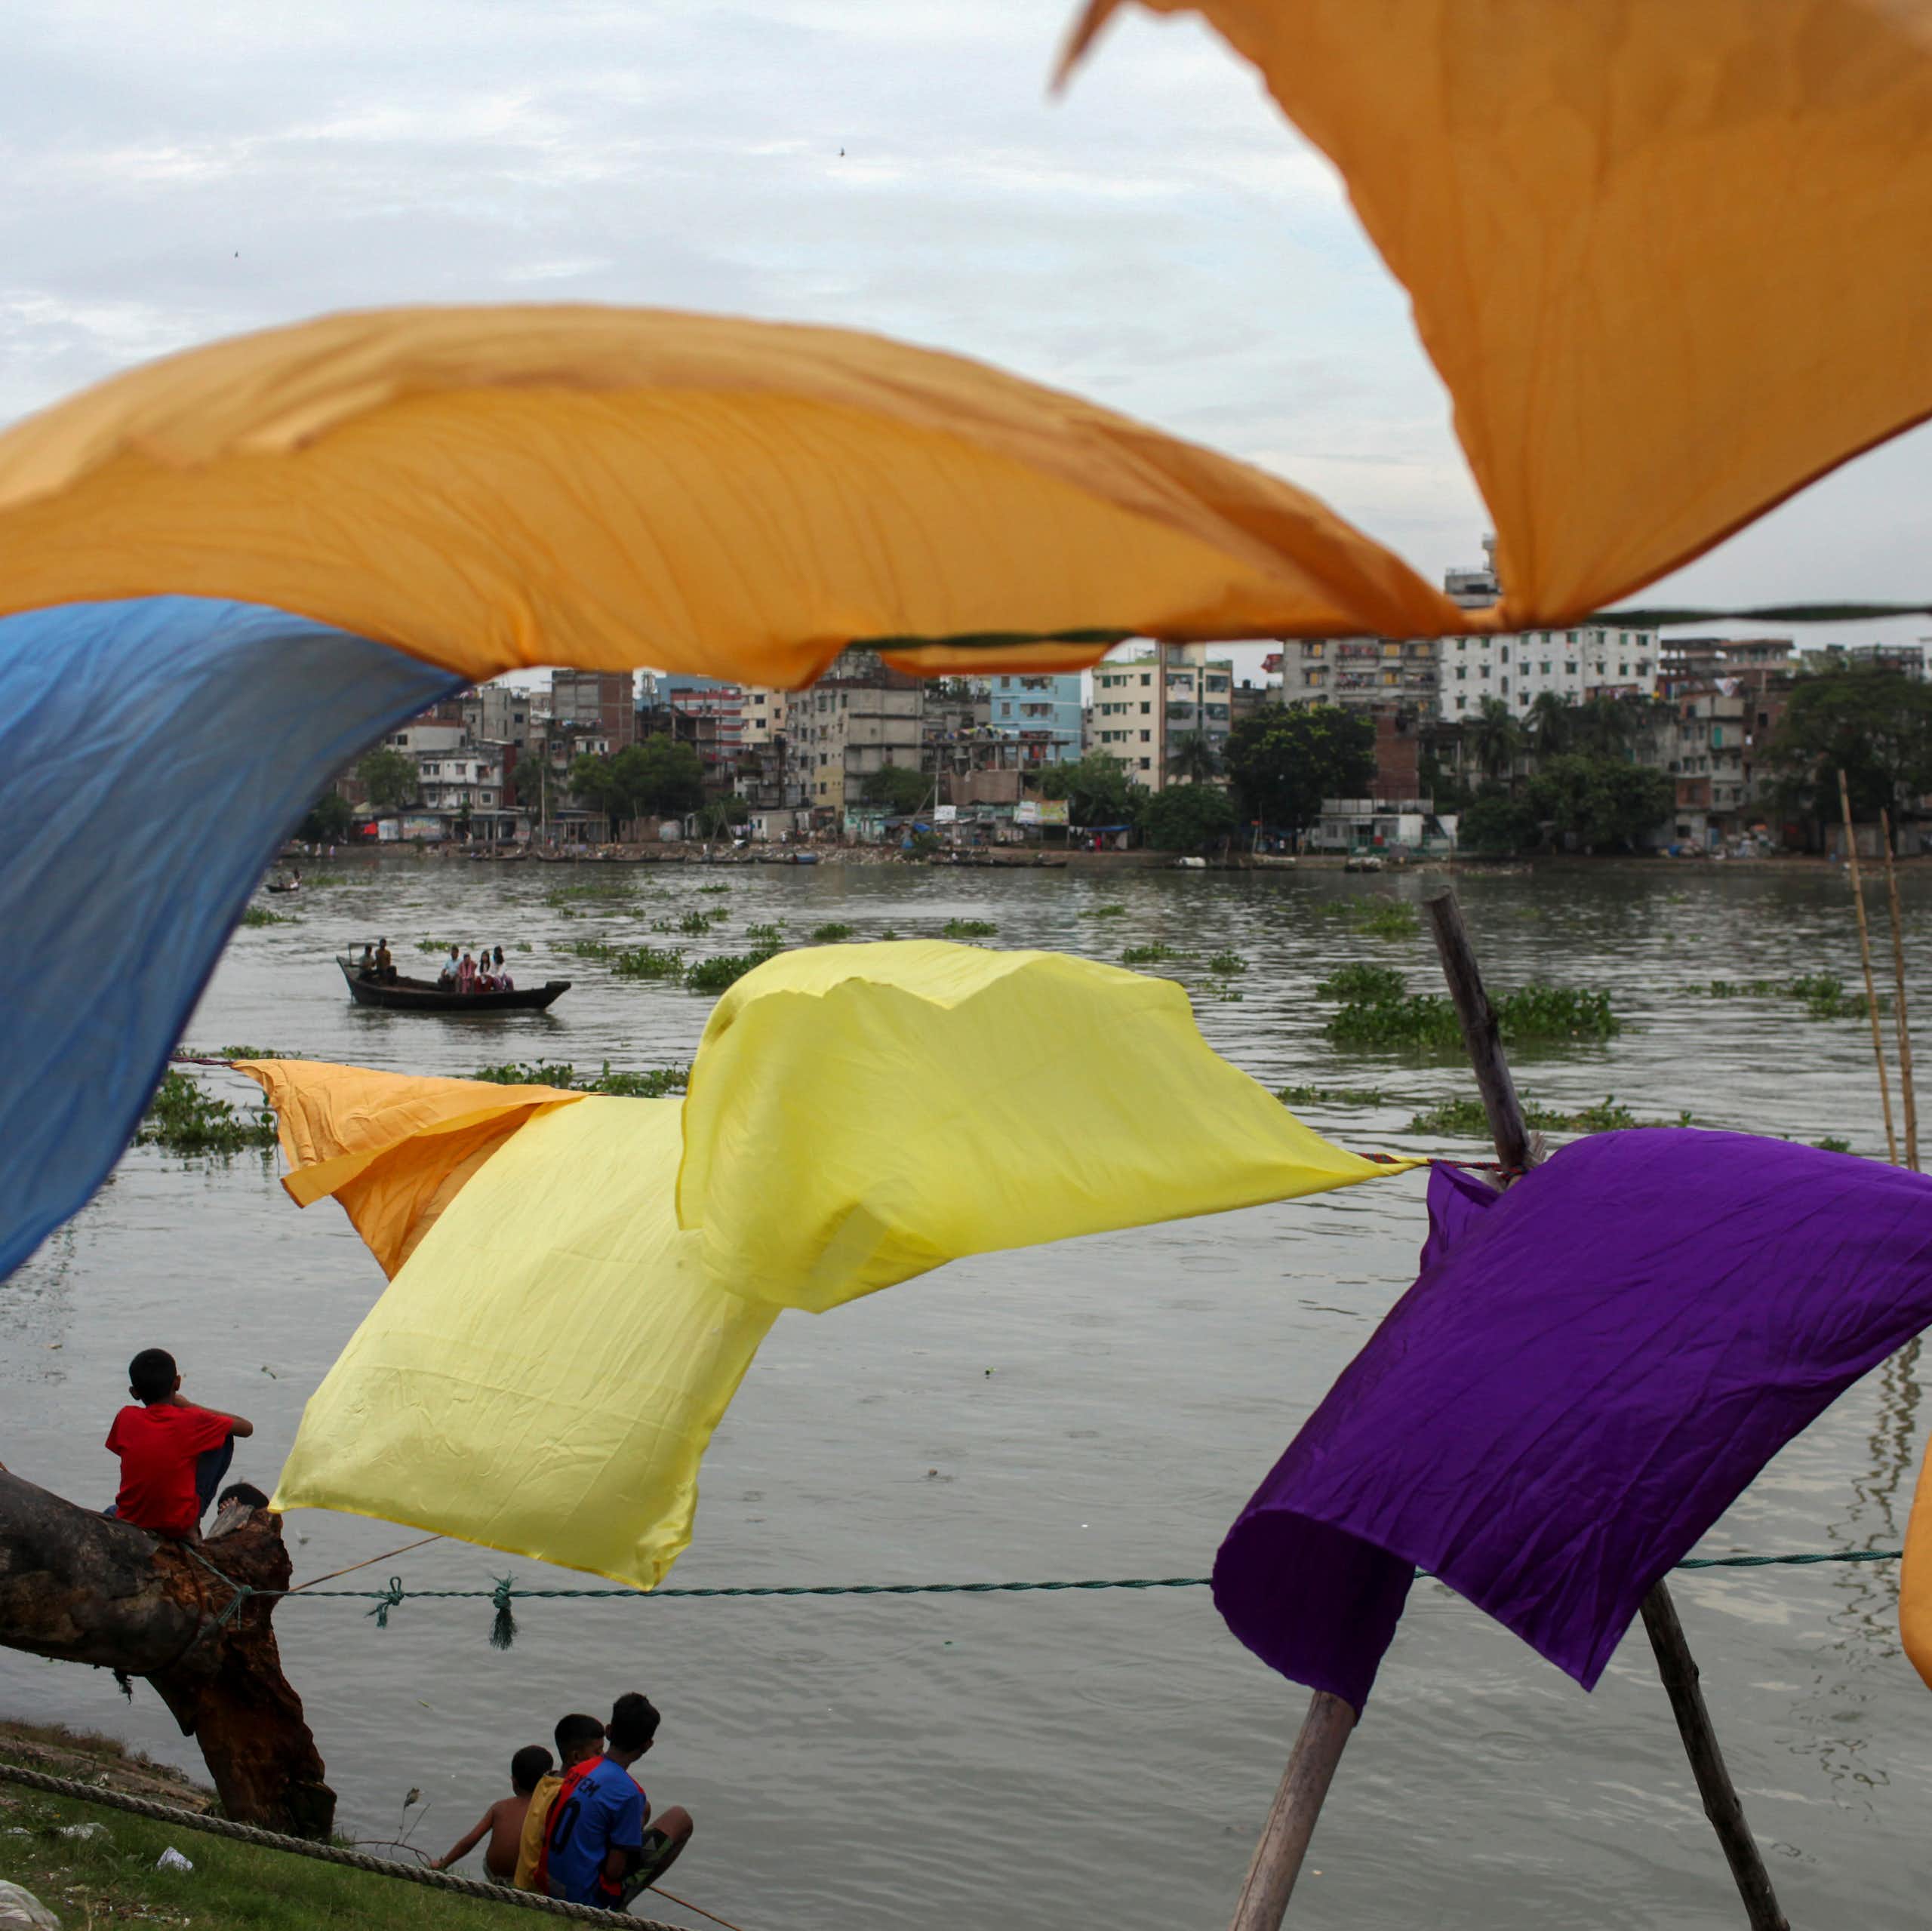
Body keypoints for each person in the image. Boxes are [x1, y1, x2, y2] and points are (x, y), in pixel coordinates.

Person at [541, 1693, 693, 1909]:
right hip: (583, 1900)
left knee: (636, 1816)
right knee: (680, 1819)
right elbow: (613, 1872)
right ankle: (617, 1907)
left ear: (609, 1731)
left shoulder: (579, 1769)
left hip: (547, 1882)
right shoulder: (629, 1793)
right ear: (648, 1745)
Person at [105, 1349, 254, 1538]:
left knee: (110, 1511)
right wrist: (188, 1405)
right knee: (224, 1436)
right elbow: (246, 1428)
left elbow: (146, 1455)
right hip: (177, 1524)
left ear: (134, 1392)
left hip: (132, 1520)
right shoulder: (193, 1420)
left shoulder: (125, 1417)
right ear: (177, 1382)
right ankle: (193, 1523)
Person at [433, 1745, 555, 1885]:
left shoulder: (500, 1807)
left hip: (493, 1873)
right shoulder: (548, 1810)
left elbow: (470, 1840)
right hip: (525, 1878)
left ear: (514, 1782)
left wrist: (443, 1864)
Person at [515, 1713, 604, 1891]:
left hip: (523, 1884)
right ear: (576, 1757)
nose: (603, 1759)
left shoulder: (547, 1780)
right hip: (539, 1890)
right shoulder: (568, 1794)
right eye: (598, 1752)